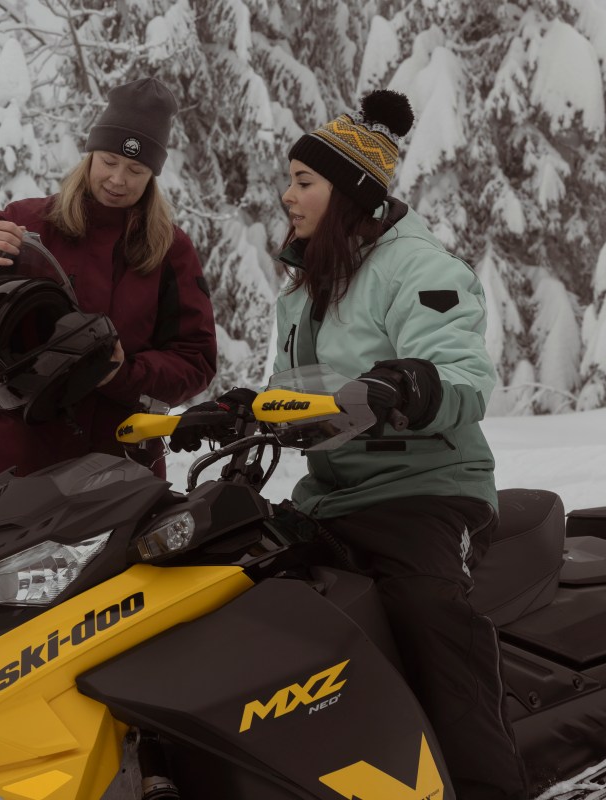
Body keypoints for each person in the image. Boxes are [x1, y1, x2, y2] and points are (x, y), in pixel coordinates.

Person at [176, 90, 527, 799]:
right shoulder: (310, 287)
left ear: (350, 193)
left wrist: (406, 383)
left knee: (429, 616)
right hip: (332, 498)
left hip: (427, 495)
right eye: (290, 180)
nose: (287, 195)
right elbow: (299, 390)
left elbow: (462, 373)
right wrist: (241, 409)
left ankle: (490, 785)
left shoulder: (417, 268)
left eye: (304, 181)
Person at [0, 77, 218, 487]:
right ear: (89, 155)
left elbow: (196, 360)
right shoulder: (27, 224)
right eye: (108, 161)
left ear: (153, 175)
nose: (118, 179)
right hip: (12, 468)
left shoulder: (170, 249)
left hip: (118, 474)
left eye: (136, 169)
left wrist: (123, 373)